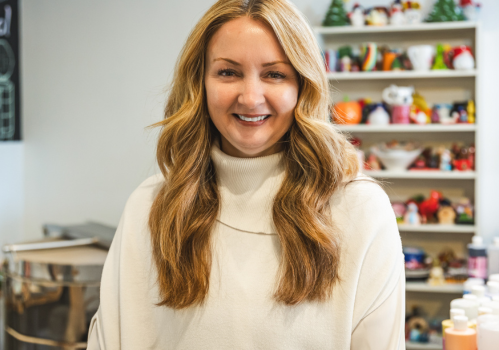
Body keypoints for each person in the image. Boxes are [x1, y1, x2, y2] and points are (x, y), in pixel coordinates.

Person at [87, 0, 405, 348]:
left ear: (302, 85)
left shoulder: (360, 210)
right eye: (228, 72)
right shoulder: (149, 207)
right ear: (200, 83)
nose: (251, 98)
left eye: (275, 74)